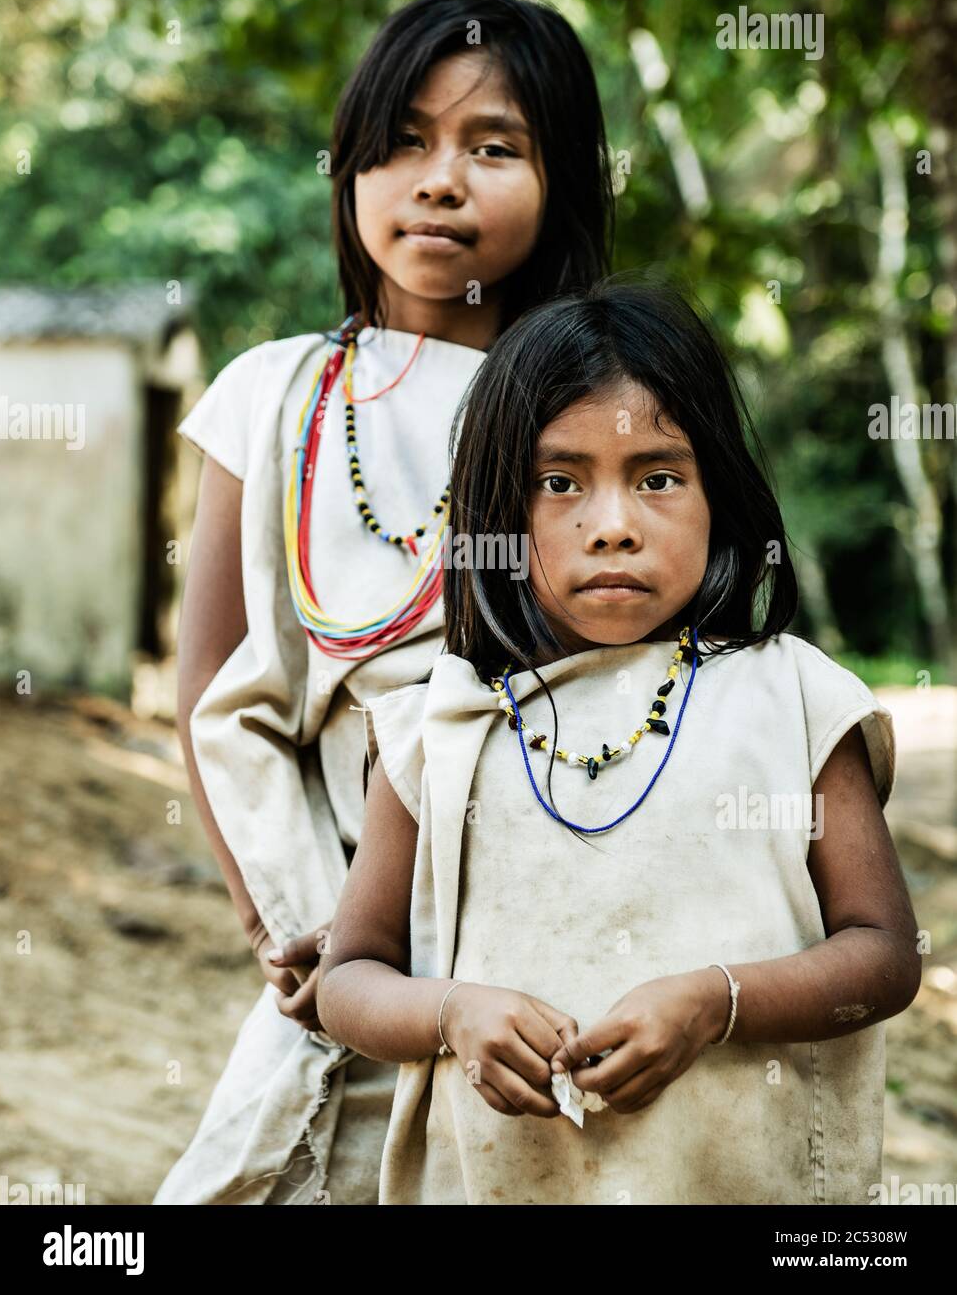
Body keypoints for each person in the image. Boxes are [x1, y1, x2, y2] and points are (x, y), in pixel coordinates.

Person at [153, 0, 615, 1205]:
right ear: (348, 169)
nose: (439, 179)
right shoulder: (275, 396)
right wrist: (285, 929)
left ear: (562, 178)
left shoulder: (598, 413)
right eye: (401, 141)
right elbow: (211, 687)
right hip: (340, 938)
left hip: (538, 929)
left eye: (493, 146)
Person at [317, 276, 921, 1205]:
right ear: (499, 514)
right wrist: (453, 1013)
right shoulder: (437, 723)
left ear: (719, 489)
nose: (612, 528)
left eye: (659, 479)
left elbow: (882, 956)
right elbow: (347, 980)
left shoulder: (791, 697)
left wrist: (713, 1004)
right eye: (560, 483)